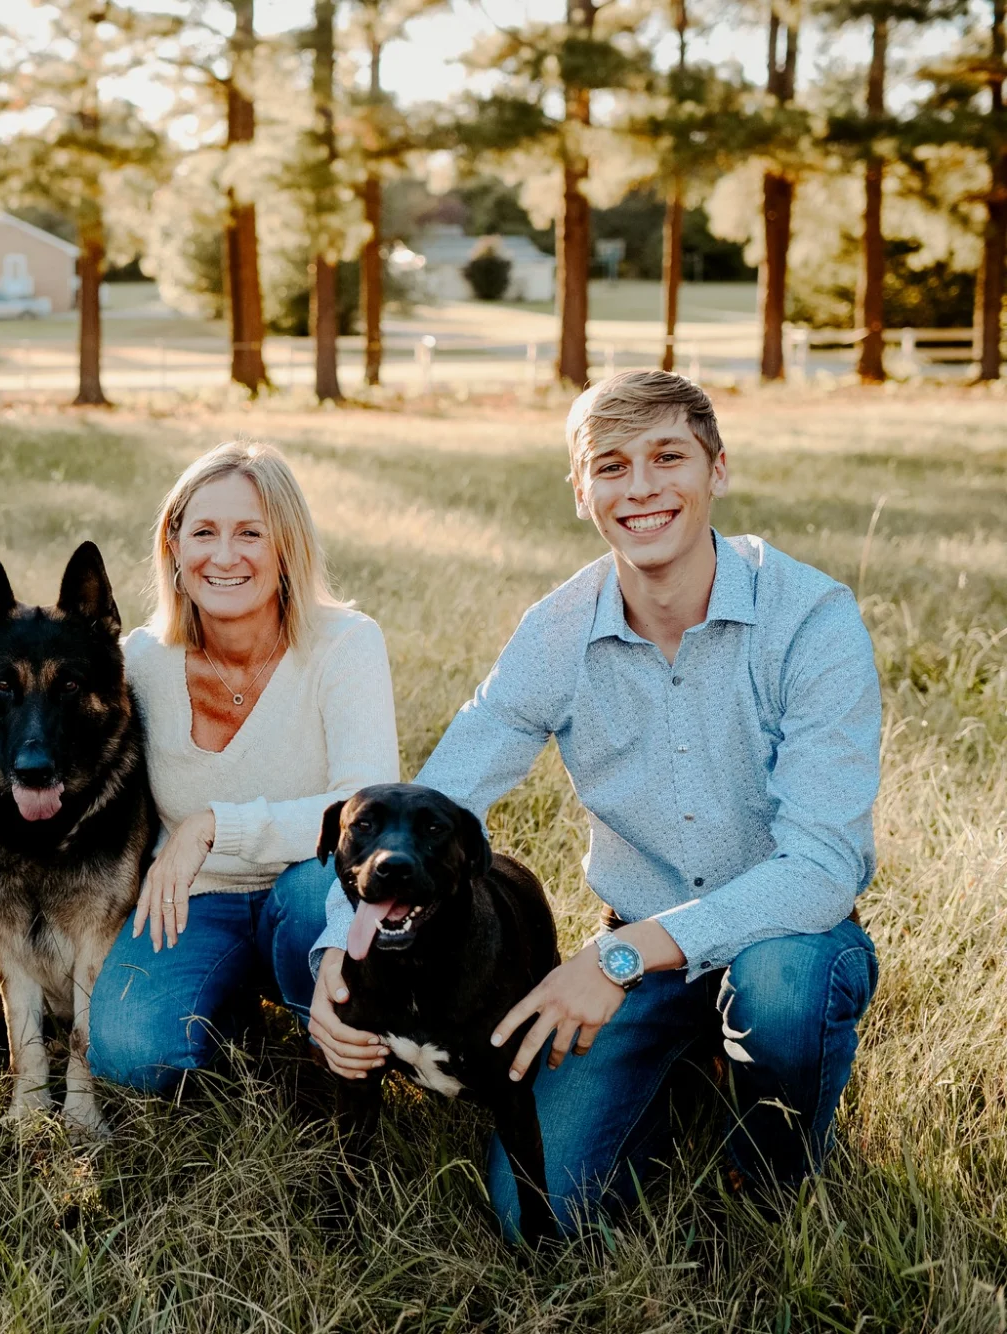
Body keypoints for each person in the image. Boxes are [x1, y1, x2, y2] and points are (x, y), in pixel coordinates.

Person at [308, 370, 881, 1240]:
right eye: (611, 466)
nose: (642, 488)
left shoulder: (812, 621)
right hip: (642, 952)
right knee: (541, 1211)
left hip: (777, 937)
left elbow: (820, 869)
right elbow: (435, 801)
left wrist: (613, 961)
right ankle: (687, 1064)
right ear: (582, 492)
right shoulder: (556, 631)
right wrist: (331, 953)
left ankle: (770, 1178)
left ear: (716, 469)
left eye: (667, 457)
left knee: (783, 983)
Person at [87, 441, 401, 1093]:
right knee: (129, 1057)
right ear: (174, 547)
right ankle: (226, 1009)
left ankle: (326, 1031)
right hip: (193, 898)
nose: (224, 556)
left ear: (286, 546)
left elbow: (368, 810)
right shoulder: (141, 661)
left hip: (312, 889)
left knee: (309, 897)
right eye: (203, 532)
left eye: (250, 533)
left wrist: (212, 826)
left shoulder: (346, 644)